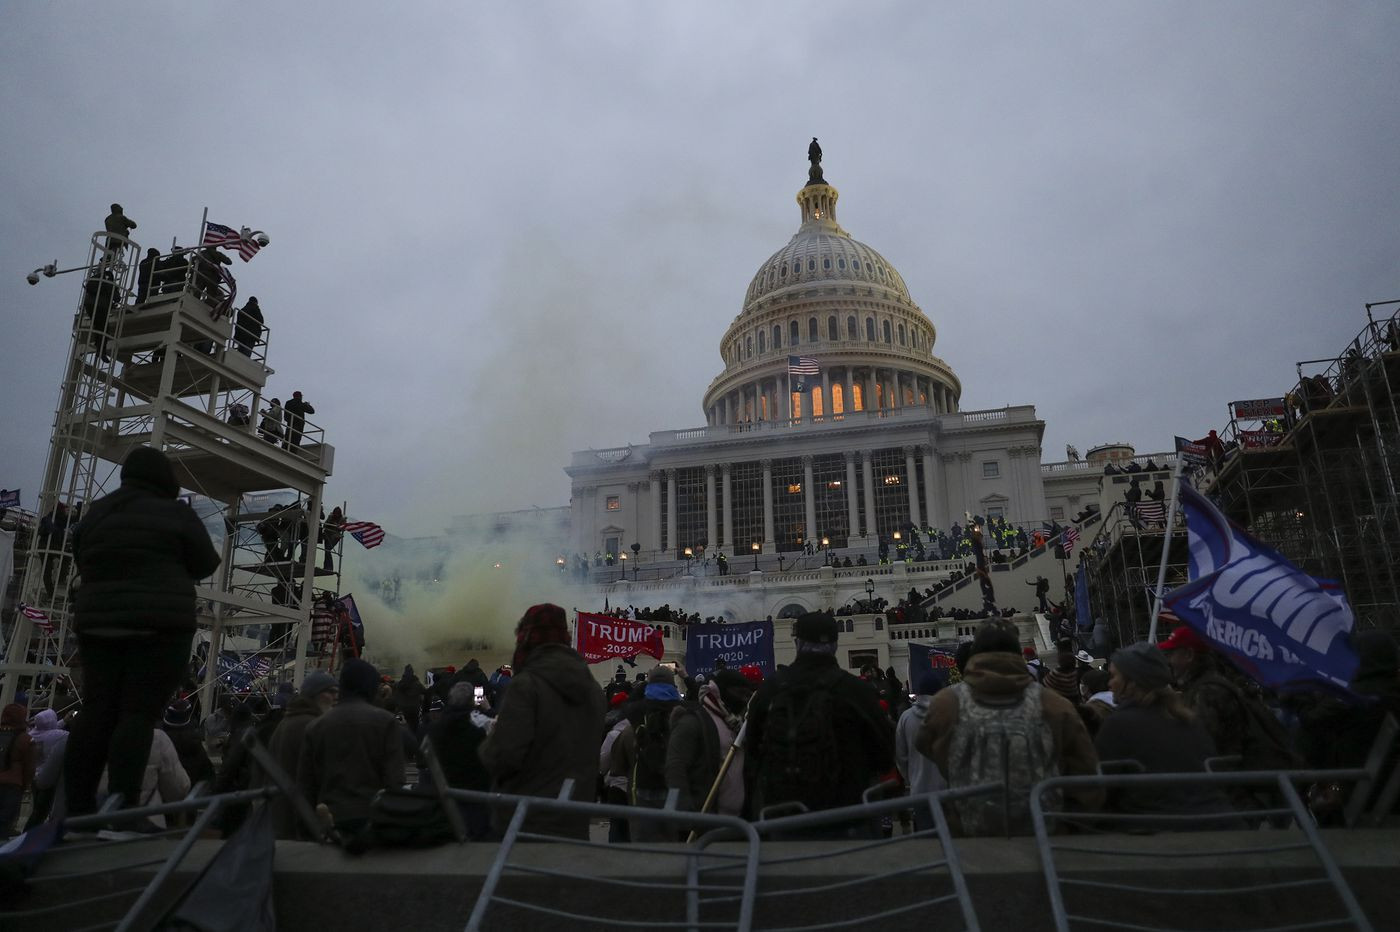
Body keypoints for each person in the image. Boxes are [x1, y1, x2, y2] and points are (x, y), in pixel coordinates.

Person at [63, 448, 220, 820]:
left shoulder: (97, 513)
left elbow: (81, 555)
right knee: (137, 714)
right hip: (159, 628)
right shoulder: (175, 512)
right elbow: (205, 562)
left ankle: (79, 809)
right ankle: (123, 808)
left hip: (96, 623)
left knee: (97, 710)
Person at [915, 619, 1100, 836]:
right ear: (1018, 652)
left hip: (968, 842)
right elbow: (1087, 775)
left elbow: (926, 746)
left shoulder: (946, 704)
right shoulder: (1054, 704)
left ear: (975, 653)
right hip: (1044, 839)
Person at [744, 611, 894, 835]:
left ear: (797, 642)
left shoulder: (770, 688)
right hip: (846, 818)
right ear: (835, 644)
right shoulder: (857, 690)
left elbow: (752, 752)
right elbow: (885, 754)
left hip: (784, 819)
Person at [479, 603, 606, 840]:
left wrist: (489, 742)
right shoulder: (593, 689)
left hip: (526, 819)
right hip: (575, 816)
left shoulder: (526, 686)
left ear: (527, 638)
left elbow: (503, 755)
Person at [1093, 643, 1238, 827]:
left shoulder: (1119, 724)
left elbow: (1102, 787)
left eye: (1114, 676)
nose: (1109, 683)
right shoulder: (1189, 720)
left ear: (1133, 681)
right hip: (1217, 820)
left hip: (1159, 824)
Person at [298, 659, 405, 838]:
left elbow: (306, 785)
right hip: (375, 823)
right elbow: (395, 781)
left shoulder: (316, 726)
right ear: (370, 687)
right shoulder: (386, 722)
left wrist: (307, 831)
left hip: (330, 822)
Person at [665, 668, 754, 826]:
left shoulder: (738, 724)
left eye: (747, 695)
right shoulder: (694, 722)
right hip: (705, 822)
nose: (743, 699)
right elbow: (675, 766)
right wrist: (684, 812)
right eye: (740, 694)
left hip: (738, 824)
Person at [426, 682, 493, 840]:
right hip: (478, 784)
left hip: (448, 783)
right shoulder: (480, 723)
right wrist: (488, 709)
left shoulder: (436, 726)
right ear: (472, 700)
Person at [895, 668, 949, 833]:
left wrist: (910, 778)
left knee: (924, 843)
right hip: (948, 789)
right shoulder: (950, 713)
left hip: (919, 789)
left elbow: (901, 756)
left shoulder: (906, 717)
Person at [0, 704, 36, 837]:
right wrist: (25, 785)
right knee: (3, 826)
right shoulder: (26, 739)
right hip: (12, 787)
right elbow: (30, 767)